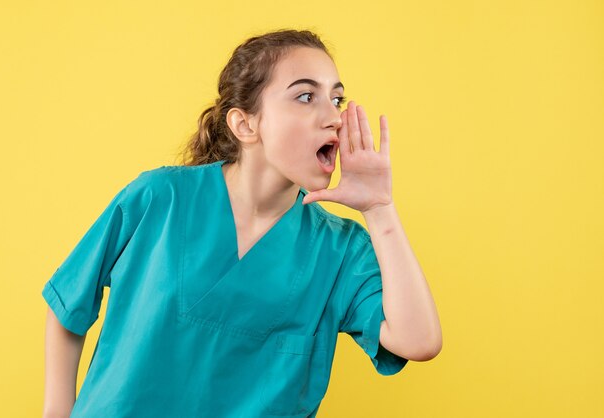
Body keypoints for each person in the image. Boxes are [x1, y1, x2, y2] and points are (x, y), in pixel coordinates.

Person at [42, 29, 442, 418]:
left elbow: (419, 341)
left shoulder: (339, 251)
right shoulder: (159, 198)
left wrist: (379, 209)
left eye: (337, 99)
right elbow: (68, 302)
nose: (334, 117)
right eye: (306, 96)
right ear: (245, 125)